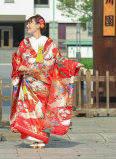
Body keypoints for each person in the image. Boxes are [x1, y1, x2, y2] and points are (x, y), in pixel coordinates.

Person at [10, 14, 81, 148]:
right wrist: (20, 66)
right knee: (29, 110)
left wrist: (73, 64)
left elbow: (59, 60)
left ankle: (41, 138)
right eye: (28, 23)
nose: (28, 26)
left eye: (30, 23)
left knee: (42, 111)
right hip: (29, 82)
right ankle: (32, 136)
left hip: (44, 84)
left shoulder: (49, 43)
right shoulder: (24, 43)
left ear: (39, 25)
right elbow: (17, 58)